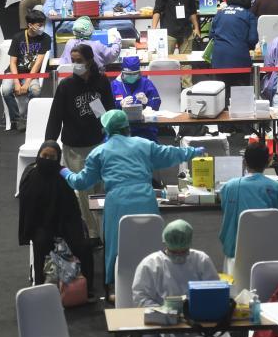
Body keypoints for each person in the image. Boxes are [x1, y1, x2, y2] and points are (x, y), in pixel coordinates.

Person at [61, 109, 204, 285]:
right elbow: (171, 153)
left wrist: (65, 172)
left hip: (117, 203)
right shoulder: (144, 145)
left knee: (117, 248)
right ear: (127, 127)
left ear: (106, 129)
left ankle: (116, 287)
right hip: (145, 199)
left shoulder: (99, 153)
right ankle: (155, 283)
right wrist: (193, 152)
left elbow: (81, 182)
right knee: (150, 244)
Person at [133, 220, 227, 337]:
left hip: (197, 323)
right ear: (165, 244)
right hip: (163, 323)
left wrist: (199, 310)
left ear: (189, 245)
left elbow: (214, 290)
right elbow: (140, 296)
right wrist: (163, 312)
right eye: (174, 252)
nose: (178, 255)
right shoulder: (151, 264)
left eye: (182, 251)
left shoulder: (201, 260)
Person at [44, 44, 112, 240]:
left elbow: (109, 110)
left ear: (89, 61)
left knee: (99, 189)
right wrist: (49, 143)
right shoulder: (66, 86)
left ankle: (102, 230)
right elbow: (55, 117)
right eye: (73, 61)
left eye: (79, 61)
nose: (75, 65)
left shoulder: (101, 81)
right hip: (74, 148)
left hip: (98, 144)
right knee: (83, 191)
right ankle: (92, 233)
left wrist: (112, 134)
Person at [19, 141, 94, 294]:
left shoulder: (63, 176)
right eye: (44, 156)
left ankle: (87, 288)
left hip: (65, 222)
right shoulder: (31, 176)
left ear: (58, 158)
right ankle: (40, 285)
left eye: (52, 157)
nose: (47, 160)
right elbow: (28, 209)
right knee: (40, 242)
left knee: (82, 246)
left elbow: (72, 209)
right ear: (39, 155)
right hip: (40, 223)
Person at [218, 142, 278, 264]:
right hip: (270, 254)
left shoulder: (229, 187)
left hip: (236, 254)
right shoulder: (277, 188)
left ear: (244, 162)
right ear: (268, 162)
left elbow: (225, 208)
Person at [2, 10, 50, 131]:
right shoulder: (18, 38)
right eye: (39, 25)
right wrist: (17, 82)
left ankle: (30, 117)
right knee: (6, 90)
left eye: (43, 24)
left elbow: (38, 63)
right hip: (14, 72)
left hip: (31, 73)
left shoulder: (45, 38)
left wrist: (28, 82)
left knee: (35, 91)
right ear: (30, 25)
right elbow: (12, 62)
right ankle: (17, 119)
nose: (42, 27)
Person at [153, 0, 200, 64]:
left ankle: (186, 76)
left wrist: (196, 28)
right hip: (169, 31)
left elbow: (192, 10)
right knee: (165, 63)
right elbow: (157, 9)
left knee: (186, 63)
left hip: (186, 31)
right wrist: (153, 29)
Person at [210, 0, 259, 82]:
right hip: (240, 58)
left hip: (219, 59)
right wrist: (247, 47)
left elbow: (211, 35)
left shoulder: (219, 13)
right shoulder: (249, 15)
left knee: (221, 88)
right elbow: (253, 39)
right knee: (240, 89)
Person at [111, 56, 161, 141]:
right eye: (128, 74)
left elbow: (157, 102)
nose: (131, 76)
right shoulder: (115, 85)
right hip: (122, 129)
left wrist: (147, 101)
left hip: (144, 128)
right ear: (122, 72)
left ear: (139, 72)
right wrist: (119, 104)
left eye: (134, 74)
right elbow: (108, 108)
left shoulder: (146, 83)